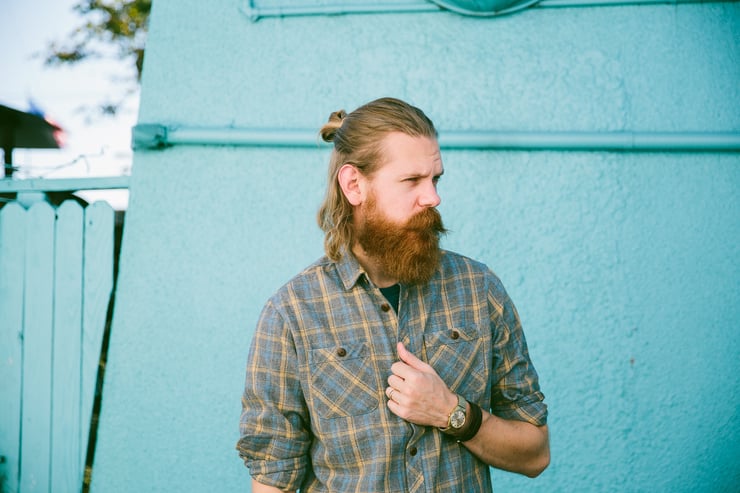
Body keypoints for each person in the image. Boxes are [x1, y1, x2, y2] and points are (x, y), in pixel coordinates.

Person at [237, 97, 549, 492]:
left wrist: (452, 413)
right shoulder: (292, 313)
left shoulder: (479, 289)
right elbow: (272, 479)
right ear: (354, 185)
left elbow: (535, 453)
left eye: (435, 179)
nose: (432, 198)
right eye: (412, 181)